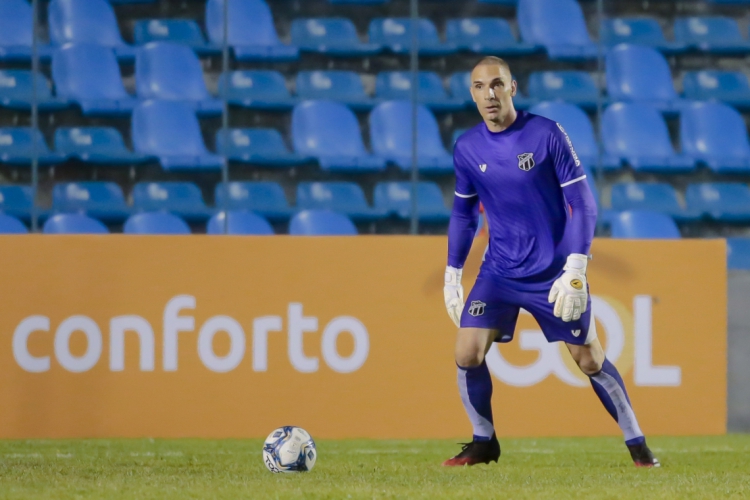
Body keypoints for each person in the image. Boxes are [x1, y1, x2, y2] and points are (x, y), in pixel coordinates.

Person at [442, 56, 659, 468]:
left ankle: (638, 445)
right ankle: (483, 442)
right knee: (467, 352)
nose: (489, 94)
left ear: (512, 87)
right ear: (471, 93)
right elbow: (463, 214)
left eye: (497, 84)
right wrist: (453, 272)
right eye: (479, 86)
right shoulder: (467, 148)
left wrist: (576, 269)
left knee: (589, 359)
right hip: (500, 271)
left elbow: (584, 204)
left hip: (553, 273)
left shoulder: (546, 134)